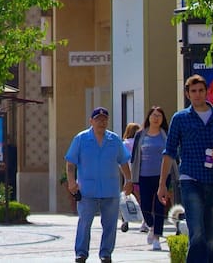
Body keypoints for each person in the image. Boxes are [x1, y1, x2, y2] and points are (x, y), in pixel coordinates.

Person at [159, 75, 213, 263]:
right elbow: (169, 152)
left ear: (206, 92)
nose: (198, 94)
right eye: (193, 91)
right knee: (197, 235)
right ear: (187, 94)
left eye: (201, 90)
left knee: (212, 240)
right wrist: (162, 185)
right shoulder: (181, 118)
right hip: (191, 179)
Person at [65, 107, 133, 263]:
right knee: (85, 223)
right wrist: (71, 181)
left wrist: (129, 180)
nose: (101, 122)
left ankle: (106, 253)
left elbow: (123, 161)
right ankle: (81, 253)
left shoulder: (114, 140)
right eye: (98, 119)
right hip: (87, 190)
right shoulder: (81, 139)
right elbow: (70, 162)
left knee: (110, 225)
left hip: (110, 190)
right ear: (91, 121)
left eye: (104, 119)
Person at [132, 106, 173, 251]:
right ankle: (150, 225)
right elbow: (135, 157)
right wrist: (131, 178)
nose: (156, 118)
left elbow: (173, 155)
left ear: (162, 119)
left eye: (159, 116)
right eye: (153, 115)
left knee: (160, 206)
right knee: (145, 206)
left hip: (163, 175)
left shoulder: (166, 134)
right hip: (144, 175)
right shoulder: (140, 134)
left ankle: (157, 237)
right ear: (148, 117)